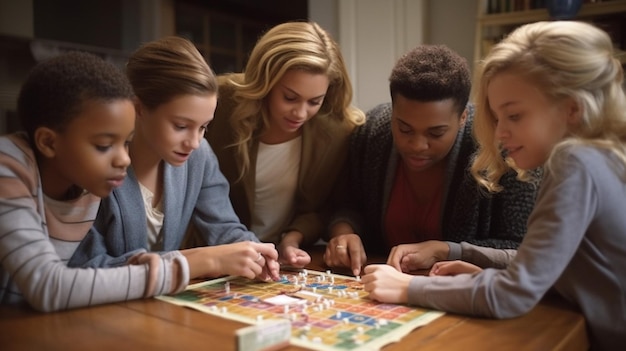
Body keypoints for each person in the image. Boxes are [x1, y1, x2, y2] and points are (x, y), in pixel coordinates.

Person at [362, 21, 626, 350]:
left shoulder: (576, 162)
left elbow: (514, 295)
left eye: (514, 116)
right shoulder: (602, 155)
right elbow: (547, 263)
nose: (500, 133)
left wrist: (404, 288)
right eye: (498, 117)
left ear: (571, 108)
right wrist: (464, 257)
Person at [69, 36, 279, 281]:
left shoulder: (199, 156)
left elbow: (223, 228)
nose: (194, 142)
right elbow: (84, 267)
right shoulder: (93, 164)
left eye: (203, 127)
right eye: (181, 126)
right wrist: (197, 261)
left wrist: (256, 252)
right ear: (138, 108)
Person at [0, 51, 192, 311]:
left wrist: (139, 262)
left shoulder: (87, 183)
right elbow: (47, 286)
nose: (124, 159)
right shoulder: (7, 165)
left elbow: (78, 271)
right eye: (103, 145)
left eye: (126, 142)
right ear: (48, 142)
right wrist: (170, 273)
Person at [324, 45, 538, 276]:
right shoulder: (373, 130)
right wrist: (343, 232)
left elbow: (524, 249)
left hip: (463, 293)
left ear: (463, 117)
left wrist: (449, 250)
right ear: (393, 112)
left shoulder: (505, 150)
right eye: (404, 129)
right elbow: (346, 204)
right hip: (378, 284)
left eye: (435, 133)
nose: (417, 145)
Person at [204, 21, 365, 268]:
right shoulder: (220, 103)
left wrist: (292, 239)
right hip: (211, 254)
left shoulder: (337, 132)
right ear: (265, 80)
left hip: (279, 261)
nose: (300, 113)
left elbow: (325, 208)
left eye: (314, 101)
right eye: (290, 97)